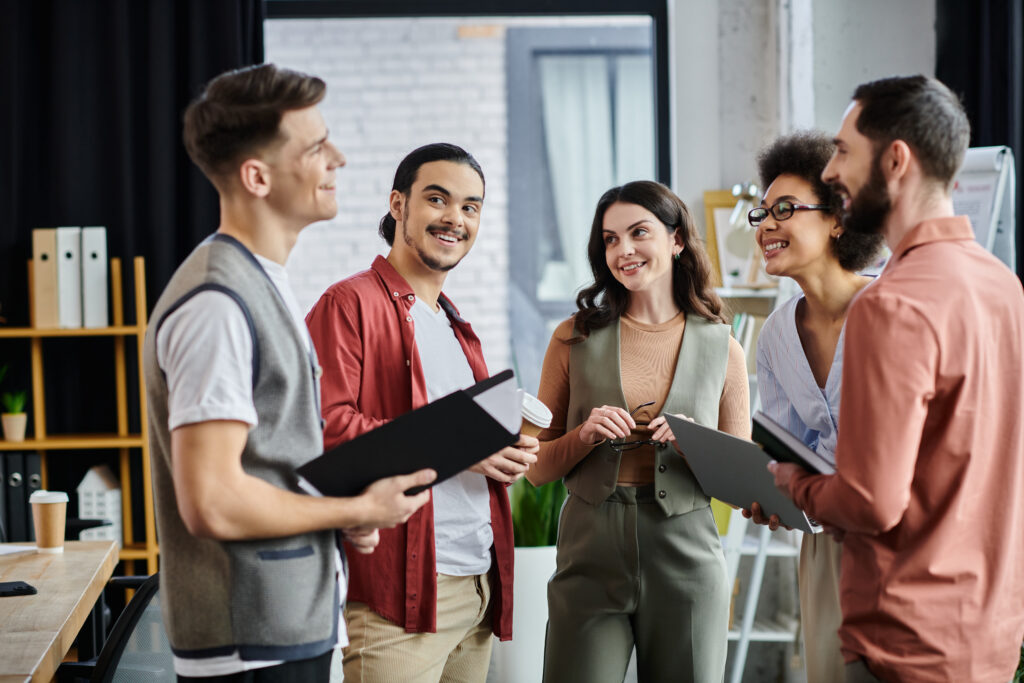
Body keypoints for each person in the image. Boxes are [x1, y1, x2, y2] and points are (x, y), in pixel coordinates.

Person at [144, 64, 435, 682]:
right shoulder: (217, 304)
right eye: (316, 147)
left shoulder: (260, 283)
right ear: (257, 176)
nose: (340, 158)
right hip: (249, 643)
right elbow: (214, 503)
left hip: (284, 627)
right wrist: (351, 509)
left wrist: (343, 510)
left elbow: (263, 463)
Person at [769, 75, 1024, 683]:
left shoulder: (891, 305)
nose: (832, 173)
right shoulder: (1001, 284)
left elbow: (870, 501)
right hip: (988, 633)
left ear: (896, 159)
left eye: (843, 151)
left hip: (902, 641)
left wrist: (791, 481)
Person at [305, 142, 539, 683]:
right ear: (398, 205)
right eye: (438, 199)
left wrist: (503, 450)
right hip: (400, 600)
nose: (455, 218)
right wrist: (462, 447)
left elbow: (460, 447)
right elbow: (324, 429)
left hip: (476, 586)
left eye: (470, 206)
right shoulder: (349, 303)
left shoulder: (456, 326)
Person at [526, 180, 750, 683]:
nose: (622, 250)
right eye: (609, 239)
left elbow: (742, 488)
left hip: (686, 554)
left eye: (638, 233)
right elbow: (535, 467)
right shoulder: (572, 337)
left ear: (676, 240)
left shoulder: (723, 348)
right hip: (589, 548)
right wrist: (583, 434)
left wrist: (699, 443)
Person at [743, 131, 882, 682]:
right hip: (824, 541)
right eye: (762, 213)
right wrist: (764, 488)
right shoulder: (776, 332)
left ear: (838, 219)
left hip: (895, 536)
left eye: (785, 210)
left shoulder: (891, 310)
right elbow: (783, 443)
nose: (767, 226)